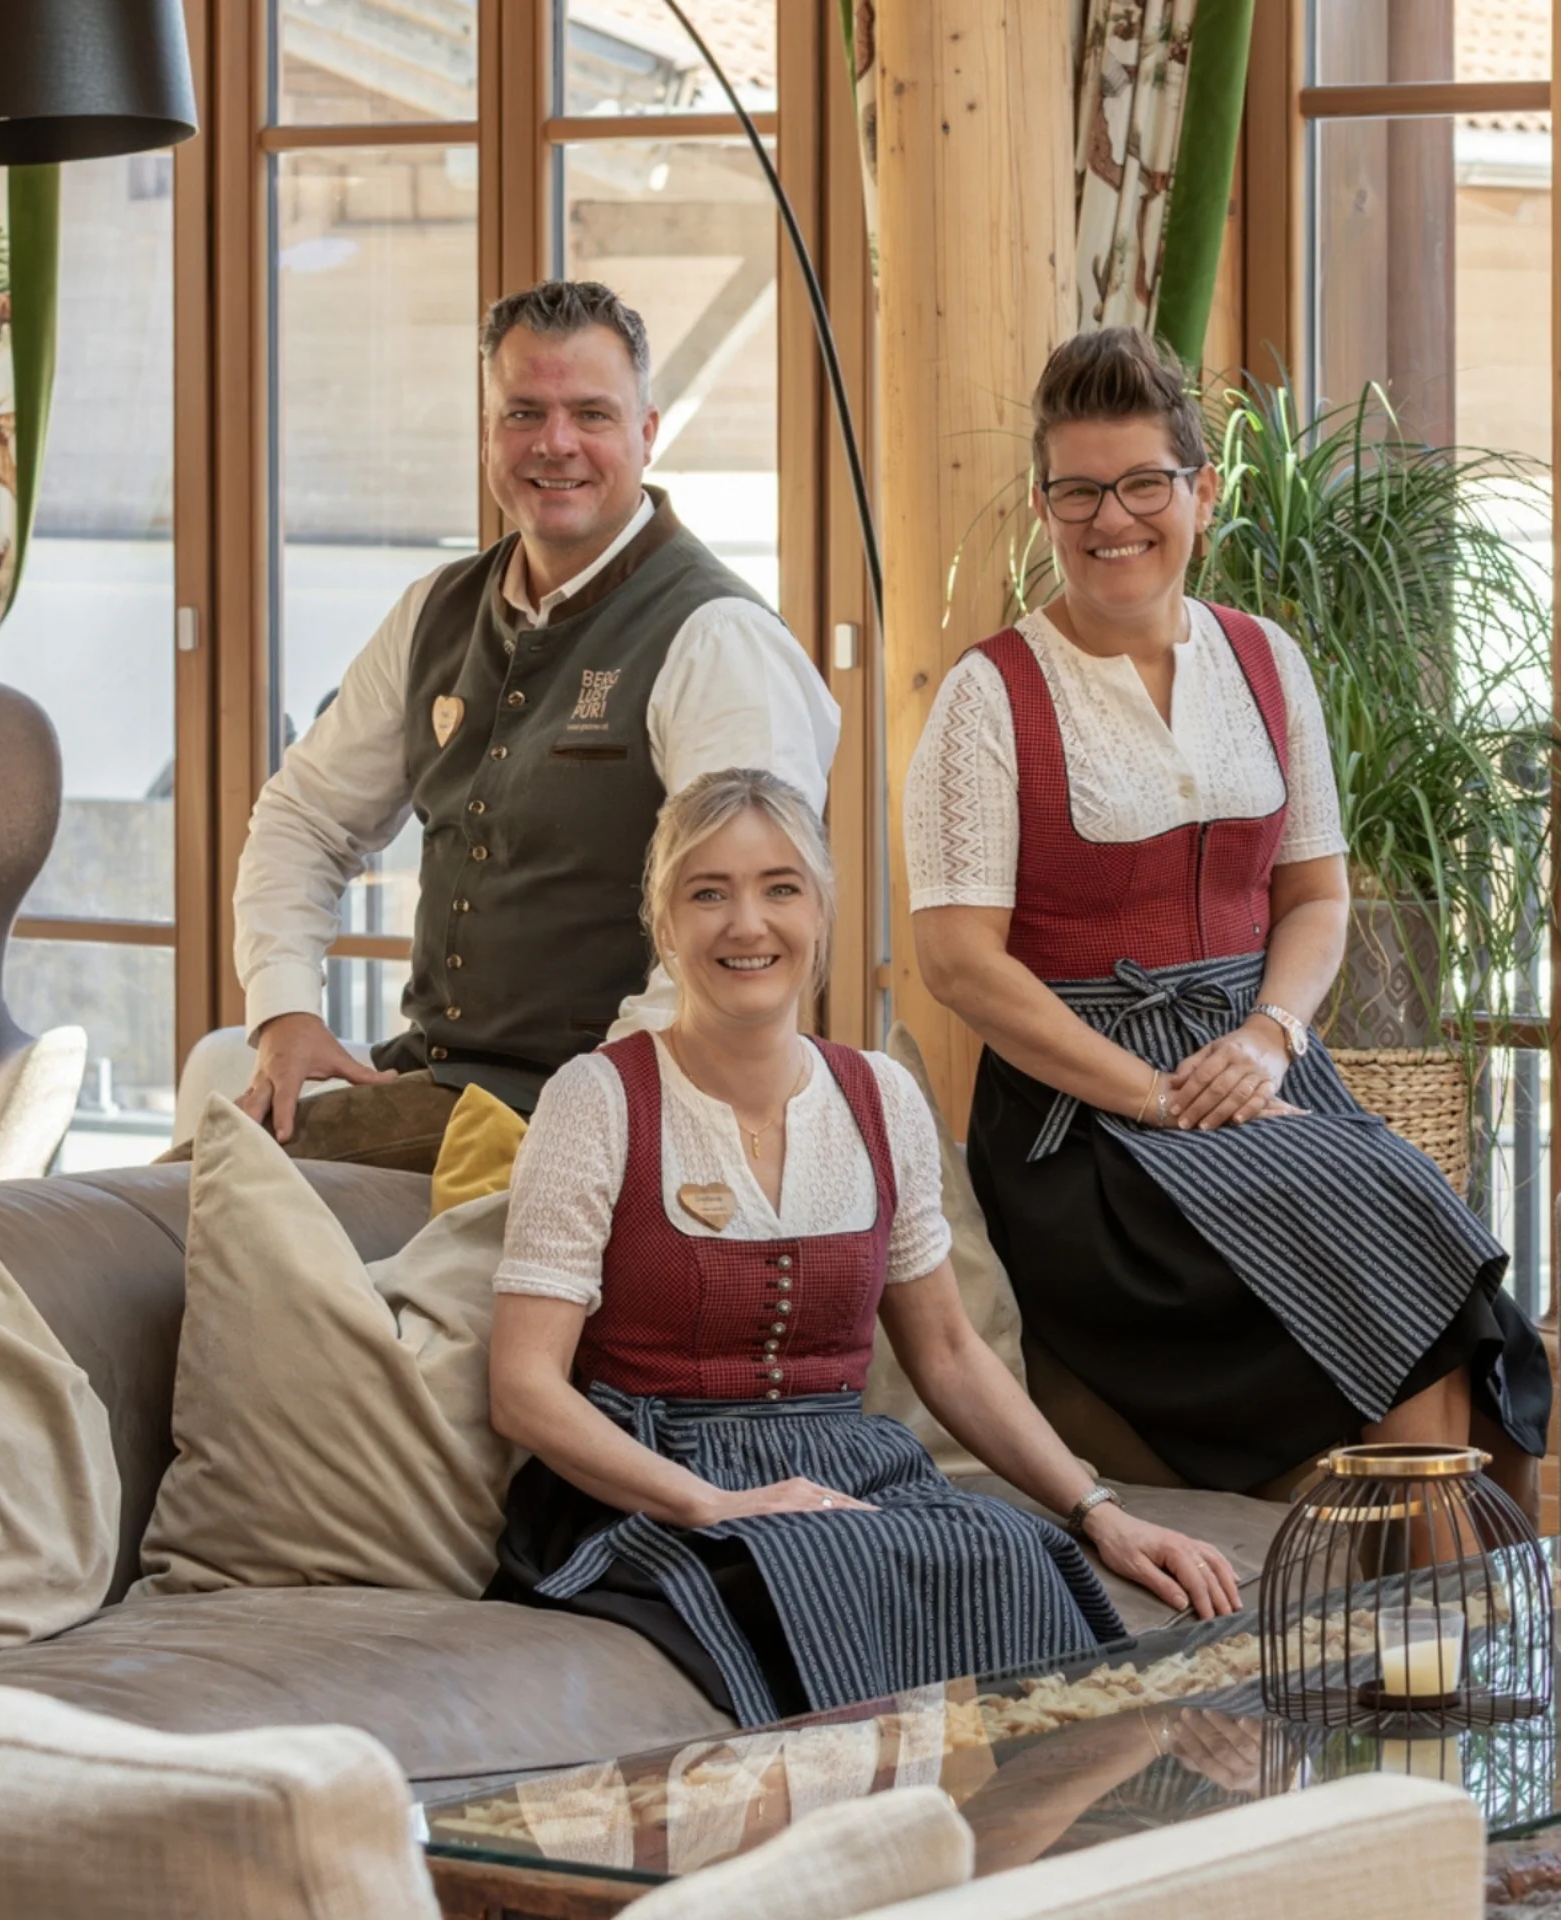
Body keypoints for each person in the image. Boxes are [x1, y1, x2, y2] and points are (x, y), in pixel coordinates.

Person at [904, 326, 1550, 1503]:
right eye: (1079, 492)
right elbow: (956, 964)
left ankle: (1441, 1644)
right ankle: (1441, 1654)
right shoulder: (986, 696)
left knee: (1447, 1277)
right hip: (1086, 1127)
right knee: (1406, 1229)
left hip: (1262, 1073)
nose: (1114, 520)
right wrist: (1149, 1092)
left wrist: (1268, 1037)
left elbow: (1315, 894)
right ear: (1046, 507)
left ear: (1202, 492)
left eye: (1144, 483)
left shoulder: (1267, 661)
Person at [485, 767, 1239, 1730]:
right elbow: (525, 1387)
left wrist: (1099, 1511)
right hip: (648, 1480)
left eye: (780, 889)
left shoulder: (881, 1098)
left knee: (1007, 1554)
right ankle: (867, 1858)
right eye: (707, 892)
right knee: (825, 1557)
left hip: (850, 1466)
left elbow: (953, 1356)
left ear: (823, 916)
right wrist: (713, 1505)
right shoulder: (596, 1099)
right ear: (664, 925)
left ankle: (1031, 1866)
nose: (747, 924)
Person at [230, 280, 840, 1171]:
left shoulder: (719, 641)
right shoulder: (435, 610)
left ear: (646, 433)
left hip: (613, 1116)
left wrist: (589, 1125)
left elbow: (737, 943)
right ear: (486, 435)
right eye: (524, 413)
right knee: (163, 1216)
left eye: (591, 413)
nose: (555, 443)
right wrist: (284, 1013)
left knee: (183, 1207)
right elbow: (304, 819)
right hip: (436, 1088)